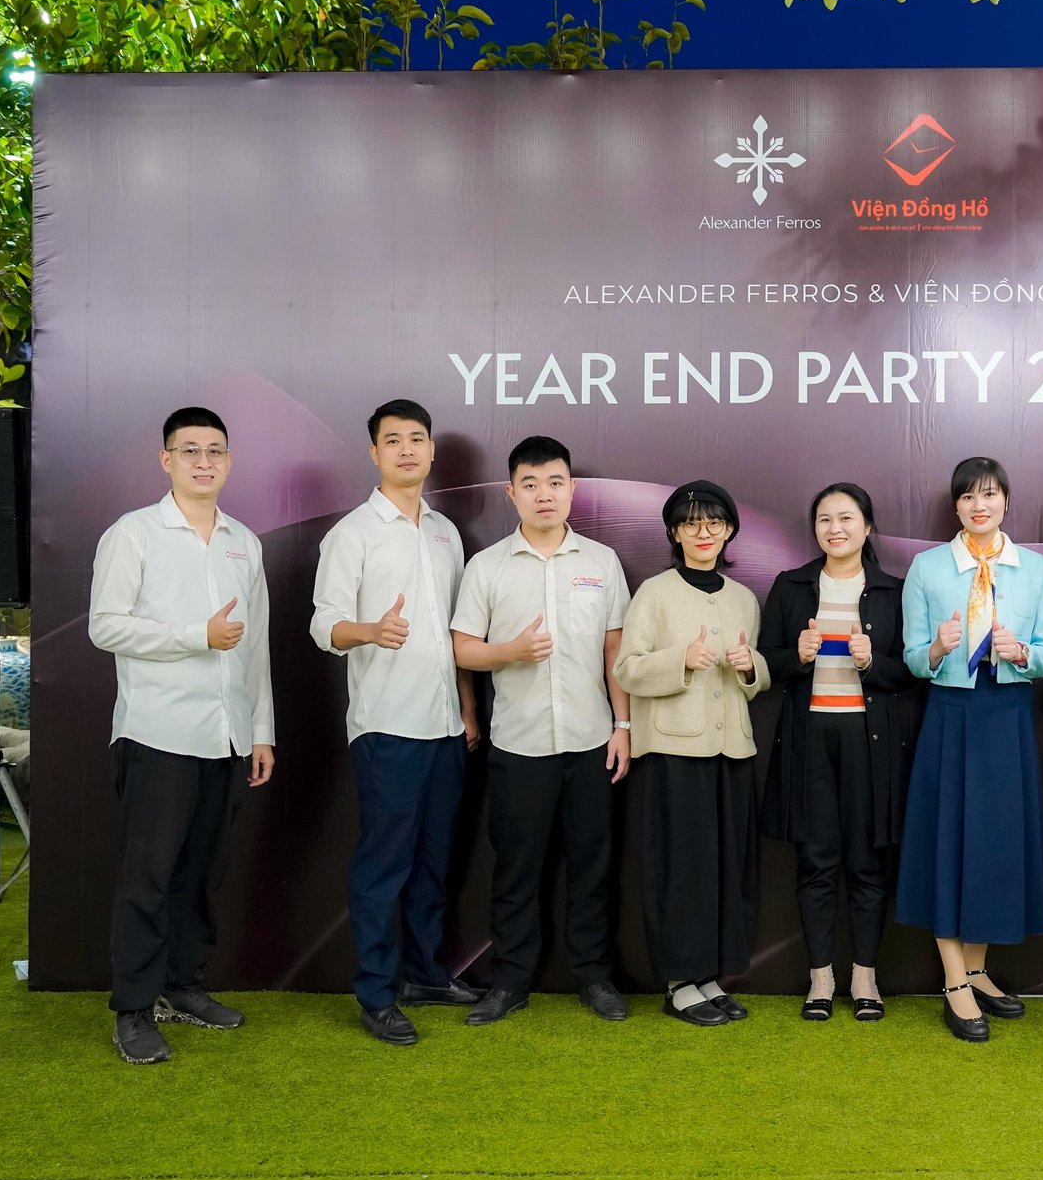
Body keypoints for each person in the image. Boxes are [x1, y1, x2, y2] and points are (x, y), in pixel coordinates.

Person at [89, 406, 275, 1065]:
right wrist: (193, 636)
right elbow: (104, 626)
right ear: (165, 459)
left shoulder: (243, 542)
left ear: (229, 461)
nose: (204, 461)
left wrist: (261, 731)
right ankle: (134, 1010)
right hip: (158, 733)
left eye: (216, 451)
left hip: (226, 736)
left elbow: (255, 650)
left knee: (200, 875)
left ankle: (182, 986)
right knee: (149, 878)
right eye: (189, 450)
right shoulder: (133, 534)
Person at [310, 399, 480, 1046]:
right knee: (385, 866)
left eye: (417, 438)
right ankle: (378, 994)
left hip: (444, 727)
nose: (407, 449)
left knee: (434, 864)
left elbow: (458, 633)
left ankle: (427, 975)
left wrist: (467, 709)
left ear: (431, 451)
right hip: (386, 727)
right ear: (374, 453)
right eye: (393, 440)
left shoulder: (445, 532)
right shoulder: (352, 534)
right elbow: (323, 625)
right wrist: (372, 629)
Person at [450, 436, 634, 1027]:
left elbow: (616, 650)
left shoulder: (601, 562)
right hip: (518, 744)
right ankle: (509, 981)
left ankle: (595, 977)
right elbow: (462, 649)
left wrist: (623, 724)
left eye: (555, 482)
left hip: (589, 741)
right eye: (529, 484)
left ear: (572, 489)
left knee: (593, 866)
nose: (543, 494)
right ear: (511, 493)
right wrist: (509, 651)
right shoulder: (488, 565)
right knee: (515, 869)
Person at [897, 457, 1043, 1043]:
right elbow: (913, 658)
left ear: (1006, 501)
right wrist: (936, 647)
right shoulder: (928, 566)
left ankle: (979, 968)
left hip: (1008, 713)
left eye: (989, 495)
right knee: (947, 838)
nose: (978, 505)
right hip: (950, 712)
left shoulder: (1034, 567)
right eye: (967, 496)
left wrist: (1023, 655)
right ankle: (954, 981)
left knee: (993, 843)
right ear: (956, 505)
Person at [757, 483, 916, 1023]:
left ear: (868, 527)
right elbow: (767, 663)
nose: (835, 528)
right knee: (817, 859)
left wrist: (875, 662)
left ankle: (865, 977)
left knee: (869, 862)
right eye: (824, 519)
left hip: (870, 741)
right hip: (809, 739)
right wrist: (794, 657)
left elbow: (911, 672)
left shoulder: (894, 591)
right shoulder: (792, 585)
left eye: (847, 518)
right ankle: (820, 977)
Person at [614, 481, 771, 1027]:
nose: (703, 533)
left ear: (729, 530)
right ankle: (679, 982)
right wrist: (684, 657)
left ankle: (709, 976)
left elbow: (755, 679)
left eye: (714, 523)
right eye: (691, 523)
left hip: (732, 750)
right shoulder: (654, 593)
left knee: (726, 867)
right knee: (681, 869)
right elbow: (627, 669)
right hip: (675, 751)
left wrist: (749, 665)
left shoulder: (743, 597)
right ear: (674, 532)